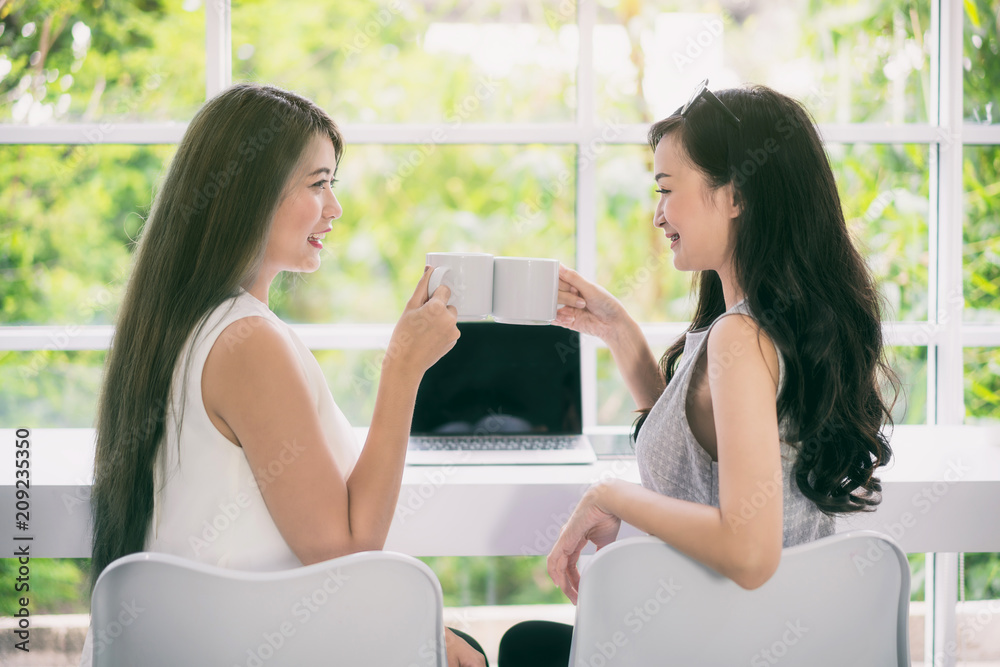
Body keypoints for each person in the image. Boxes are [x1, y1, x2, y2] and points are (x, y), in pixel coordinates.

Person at [82, 83, 486, 667]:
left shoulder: (183, 322)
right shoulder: (248, 342)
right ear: (251, 193)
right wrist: (402, 370)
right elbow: (347, 553)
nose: (335, 208)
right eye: (318, 184)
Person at [499, 81, 899, 665]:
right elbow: (706, 451)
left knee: (524, 646)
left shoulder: (740, 337)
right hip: (777, 639)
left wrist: (611, 494)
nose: (658, 214)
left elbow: (748, 551)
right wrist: (620, 333)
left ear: (734, 194)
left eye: (666, 189)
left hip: (719, 640)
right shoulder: (778, 327)